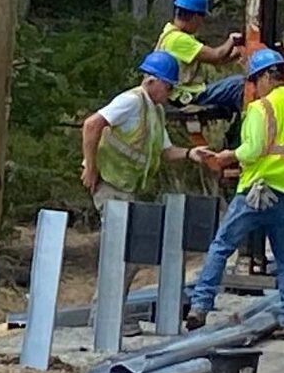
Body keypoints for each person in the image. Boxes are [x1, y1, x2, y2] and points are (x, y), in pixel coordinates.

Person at [81, 50, 208, 335]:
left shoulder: (155, 110)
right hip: (110, 184)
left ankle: (108, 315)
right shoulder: (130, 102)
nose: (170, 91)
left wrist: (190, 153)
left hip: (126, 188)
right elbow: (91, 125)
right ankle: (106, 318)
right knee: (121, 251)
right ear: (152, 81)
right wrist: (90, 167)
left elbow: (163, 151)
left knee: (130, 253)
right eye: (168, 85)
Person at [187, 48, 284, 331]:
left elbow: (253, 150)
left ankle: (200, 306)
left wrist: (226, 156)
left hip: (255, 192)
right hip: (282, 193)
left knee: (221, 246)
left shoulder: (260, 108)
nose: (254, 88)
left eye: (255, 81)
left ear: (267, 77)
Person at [155, 0, 244, 114]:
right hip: (184, 96)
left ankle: (232, 126)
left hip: (183, 94)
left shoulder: (172, 33)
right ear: (196, 17)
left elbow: (217, 61)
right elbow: (216, 56)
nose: (201, 24)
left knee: (229, 95)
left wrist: (237, 52)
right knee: (239, 85)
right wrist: (231, 40)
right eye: (201, 19)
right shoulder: (178, 40)